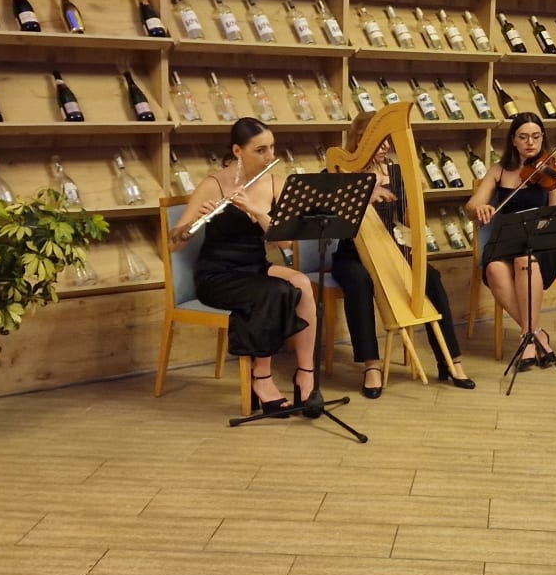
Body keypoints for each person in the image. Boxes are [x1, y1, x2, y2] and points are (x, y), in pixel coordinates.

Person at [172, 118, 321, 412]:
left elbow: (286, 243)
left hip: (254, 266)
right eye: (260, 150)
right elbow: (174, 242)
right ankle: (261, 378)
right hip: (218, 274)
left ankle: (306, 373)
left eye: (272, 148)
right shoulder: (214, 184)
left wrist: (253, 210)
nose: (270, 156)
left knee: (302, 284)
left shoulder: (276, 183)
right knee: (274, 292)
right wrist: (193, 224)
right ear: (238, 151)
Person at [327, 136, 476, 397]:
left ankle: (450, 359)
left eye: (388, 141)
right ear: (360, 142)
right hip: (350, 253)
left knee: (430, 276)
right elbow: (327, 212)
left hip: (390, 249)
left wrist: (415, 203)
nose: (385, 146)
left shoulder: (396, 173)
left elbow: (407, 218)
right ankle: (371, 366)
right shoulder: (338, 173)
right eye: (378, 141)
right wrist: (364, 195)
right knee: (359, 281)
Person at [465, 113, 556, 369]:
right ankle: (536, 334)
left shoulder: (552, 170)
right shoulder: (499, 170)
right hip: (509, 242)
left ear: (543, 138)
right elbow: (470, 207)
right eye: (524, 137)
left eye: (536, 137)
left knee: (524, 260)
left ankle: (527, 340)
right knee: (494, 268)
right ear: (513, 140)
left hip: (544, 244)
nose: (530, 142)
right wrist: (479, 208)